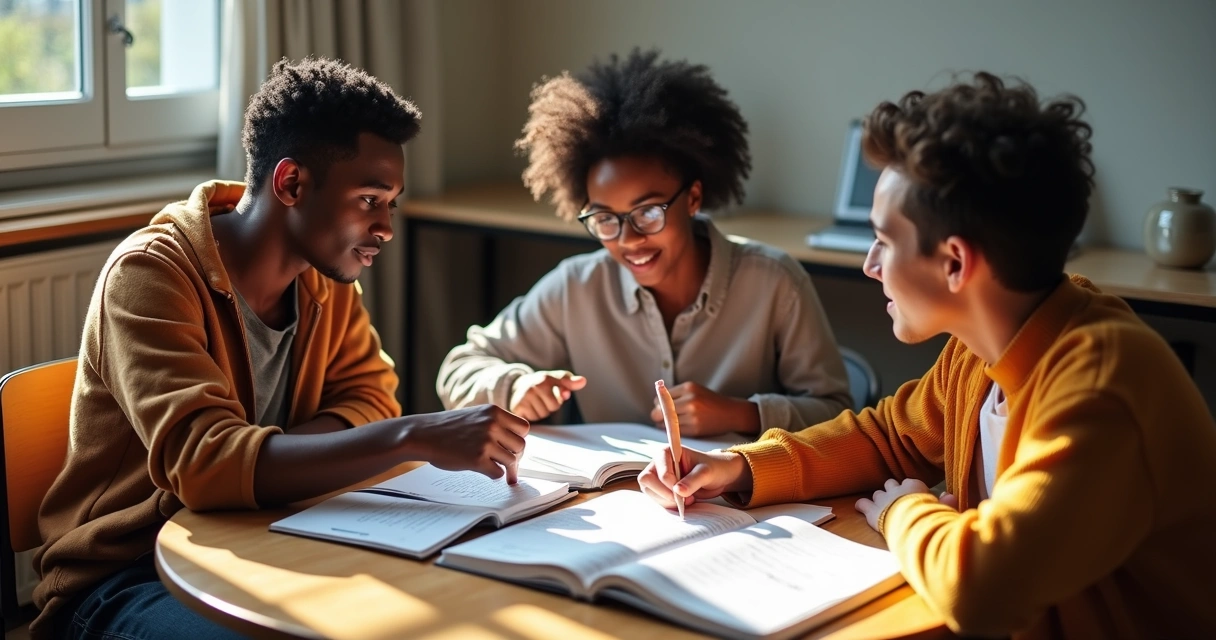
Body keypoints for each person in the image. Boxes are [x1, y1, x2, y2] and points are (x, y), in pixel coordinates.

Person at [638, 72, 1216, 637]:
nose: (870, 265)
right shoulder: (981, 351)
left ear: (956, 263)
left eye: (884, 242)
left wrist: (905, 512)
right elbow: (887, 437)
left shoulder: (1103, 385)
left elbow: (985, 588)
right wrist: (739, 467)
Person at [31, 57, 529, 640]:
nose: (387, 226)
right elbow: (205, 466)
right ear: (291, 183)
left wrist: (266, 461)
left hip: (272, 531)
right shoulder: (151, 275)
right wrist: (411, 437)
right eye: (370, 199)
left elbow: (372, 396)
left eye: (391, 202)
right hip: (127, 576)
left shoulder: (324, 280)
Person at [436, 49, 850, 437]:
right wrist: (514, 387)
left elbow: (839, 413)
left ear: (693, 199)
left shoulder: (775, 282)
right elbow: (457, 369)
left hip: (737, 508)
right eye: (605, 219)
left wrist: (743, 413)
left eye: (648, 212)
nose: (628, 239)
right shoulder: (577, 287)